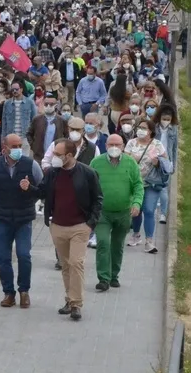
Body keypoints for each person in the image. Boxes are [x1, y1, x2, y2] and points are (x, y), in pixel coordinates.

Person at [42, 139, 102, 321]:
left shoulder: (88, 173)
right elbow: (42, 192)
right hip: (58, 226)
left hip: (79, 227)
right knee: (66, 265)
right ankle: (69, 300)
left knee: (76, 263)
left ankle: (76, 304)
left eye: (58, 154)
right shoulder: (52, 173)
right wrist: (28, 189)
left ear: (69, 155)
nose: (54, 157)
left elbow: (98, 198)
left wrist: (90, 223)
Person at [0, 133, 44, 309]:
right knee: (3, 258)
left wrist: (29, 189)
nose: (18, 149)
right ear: (5, 148)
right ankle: (8, 293)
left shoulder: (31, 165)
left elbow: (41, 189)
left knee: (24, 255)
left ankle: (24, 291)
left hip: (23, 218)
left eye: (20, 146)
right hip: (1, 218)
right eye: (14, 146)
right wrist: (1, 205)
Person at [90, 134, 143, 292]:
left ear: (123, 146)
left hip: (123, 212)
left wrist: (136, 203)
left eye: (117, 145)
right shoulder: (96, 162)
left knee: (117, 245)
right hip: (102, 213)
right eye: (111, 144)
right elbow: (89, 185)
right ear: (106, 146)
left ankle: (114, 276)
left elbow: (138, 185)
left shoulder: (130, 163)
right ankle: (103, 278)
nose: (114, 148)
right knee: (103, 243)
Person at [125, 118, 173, 253]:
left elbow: (166, 164)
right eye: (139, 127)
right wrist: (131, 159)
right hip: (134, 183)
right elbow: (125, 160)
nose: (140, 130)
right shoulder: (131, 143)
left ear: (151, 131)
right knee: (136, 211)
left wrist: (157, 162)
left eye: (144, 128)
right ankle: (136, 234)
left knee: (149, 210)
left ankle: (149, 241)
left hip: (151, 183)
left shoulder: (157, 144)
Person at [153, 104, 178, 225]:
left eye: (168, 119)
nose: (166, 121)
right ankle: (152, 207)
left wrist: (174, 165)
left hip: (167, 160)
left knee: (164, 188)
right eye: (164, 119)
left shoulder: (173, 129)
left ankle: (163, 213)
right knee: (152, 184)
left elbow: (174, 149)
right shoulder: (155, 127)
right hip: (154, 158)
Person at [27, 93, 68, 164]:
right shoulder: (37, 119)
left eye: (51, 104)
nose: (48, 106)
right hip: (39, 157)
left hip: (56, 157)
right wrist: (34, 146)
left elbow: (67, 136)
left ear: (56, 105)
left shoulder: (61, 120)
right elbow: (29, 134)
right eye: (46, 104)